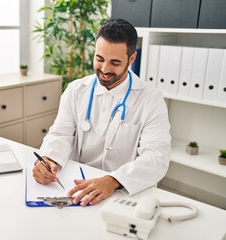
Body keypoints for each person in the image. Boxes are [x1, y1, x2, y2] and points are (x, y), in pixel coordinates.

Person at [32, 19, 171, 207]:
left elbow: (157, 158)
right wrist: (49, 158)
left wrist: (113, 181)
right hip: (76, 187)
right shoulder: (75, 90)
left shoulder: (151, 100)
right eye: (99, 59)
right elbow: (61, 133)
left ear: (131, 59)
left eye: (115, 62)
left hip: (122, 191)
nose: (105, 69)